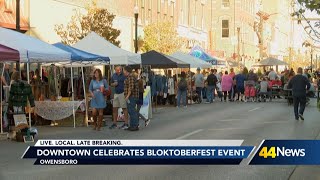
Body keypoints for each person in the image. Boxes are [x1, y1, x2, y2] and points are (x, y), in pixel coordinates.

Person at [123, 66, 139, 131]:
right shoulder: (129, 77)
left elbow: (131, 88)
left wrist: (127, 96)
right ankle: (132, 125)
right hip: (131, 97)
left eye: (123, 70)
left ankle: (135, 126)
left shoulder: (130, 77)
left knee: (132, 111)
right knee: (130, 111)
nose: (123, 72)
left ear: (126, 71)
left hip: (132, 97)